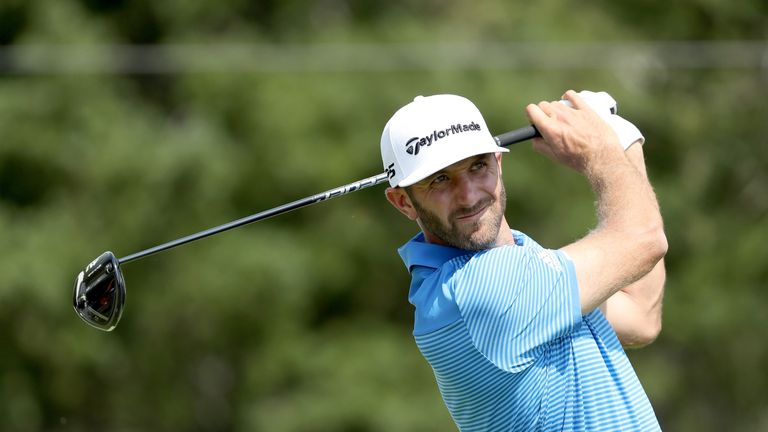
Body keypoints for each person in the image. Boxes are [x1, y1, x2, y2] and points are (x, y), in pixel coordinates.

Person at [380, 91, 667, 431]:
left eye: (478, 165)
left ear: (498, 164)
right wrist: (602, 149)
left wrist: (623, 142)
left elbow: (640, 314)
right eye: (440, 179)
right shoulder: (477, 291)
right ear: (403, 202)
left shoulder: (525, 263)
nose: (469, 194)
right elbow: (643, 239)